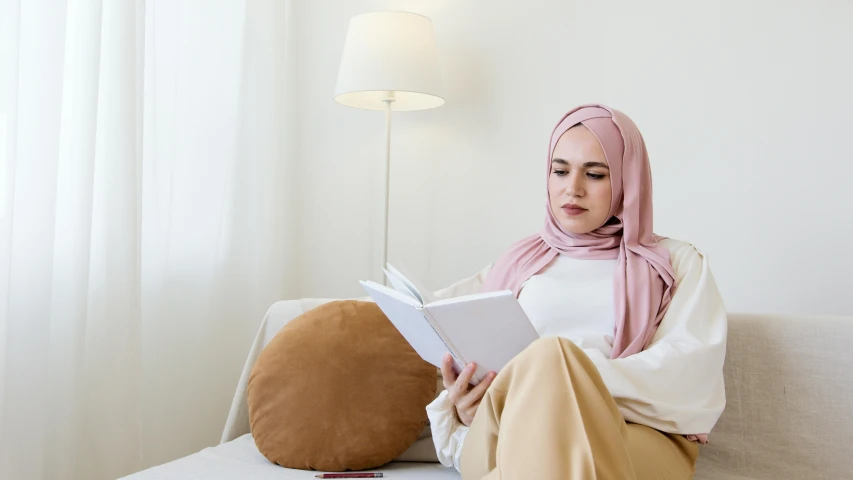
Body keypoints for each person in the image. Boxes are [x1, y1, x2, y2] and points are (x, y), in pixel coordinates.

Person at [426, 104, 727, 480]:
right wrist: (470, 404)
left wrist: (561, 378)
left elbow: (686, 374)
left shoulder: (676, 262)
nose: (573, 188)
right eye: (560, 170)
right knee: (547, 368)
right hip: (505, 431)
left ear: (626, 180)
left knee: (551, 357)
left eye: (596, 174)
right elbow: (459, 342)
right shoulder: (520, 260)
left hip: (630, 435)